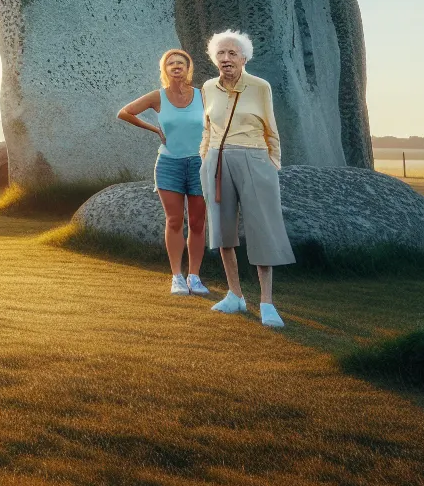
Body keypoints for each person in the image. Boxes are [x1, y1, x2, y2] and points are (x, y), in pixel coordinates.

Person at [199, 30, 295, 328]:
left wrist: (272, 164)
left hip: (255, 158)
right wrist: (205, 158)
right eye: (220, 54)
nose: (226, 58)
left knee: (261, 229)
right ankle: (235, 295)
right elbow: (206, 126)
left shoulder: (259, 87)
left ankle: (267, 302)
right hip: (216, 159)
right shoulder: (208, 87)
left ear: (244, 58)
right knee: (222, 230)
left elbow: (271, 129)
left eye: (232, 53)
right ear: (214, 59)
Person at [117, 49, 210, 296]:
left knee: (199, 222)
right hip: (169, 164)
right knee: (174, 220)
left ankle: (195, 277)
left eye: (181, 62)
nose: (176, 65)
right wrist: (154, 129)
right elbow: (125, 112)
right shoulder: (158, 97)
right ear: (165, 69)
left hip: (200, 164)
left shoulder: (204, 95)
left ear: (188, 68)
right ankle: (177, 277)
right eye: (171, 63)